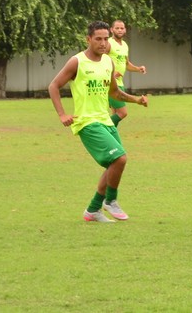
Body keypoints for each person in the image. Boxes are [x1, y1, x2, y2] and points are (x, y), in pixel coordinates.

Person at [48, 21, 148, 223]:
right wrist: (62, 114)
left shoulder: (108, 62)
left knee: (114, 164)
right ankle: (110, 200)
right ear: (88, 39)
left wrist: (136, 100)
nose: (103, 43)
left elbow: (114, 92)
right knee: (119, 159)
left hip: (105, 121)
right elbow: (54, 86)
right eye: (98, 39)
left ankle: (93, 210)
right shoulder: (77, 62)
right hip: (87, 122)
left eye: (105, 39)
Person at [107, 20, 147, 127]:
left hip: (119, 83)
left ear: (125, 30)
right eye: (117, 28)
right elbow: (100, 59)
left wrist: (138, 69)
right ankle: (103, 129)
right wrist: (110, 73)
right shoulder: (108, 44)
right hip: (111, 83)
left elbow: (126, 63)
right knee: (122, 113)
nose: (120, 30)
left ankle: (111, 137)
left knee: (116, 113)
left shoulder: (124, 45)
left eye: (122, 28)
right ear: (111, 30)